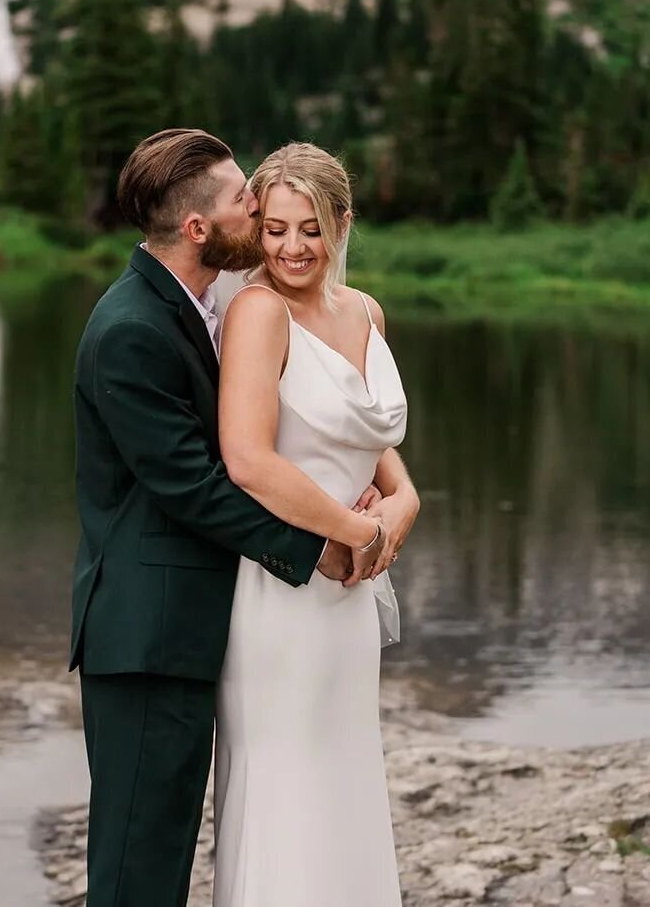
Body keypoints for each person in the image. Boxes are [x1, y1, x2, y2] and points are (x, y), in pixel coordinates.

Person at [69, 129, 382, 907]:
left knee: (167, 852)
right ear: (199, 228)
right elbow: (196, 485)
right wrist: (321, 547)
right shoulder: (130, 331)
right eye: (246, 199)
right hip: (147, 638)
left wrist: (386, 500)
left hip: (198, 625)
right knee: (138, 871)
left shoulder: (202, 307)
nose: (259, 205)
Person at [213, 141, 419, 907]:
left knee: (343, 775)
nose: (291, 248)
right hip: (284, 589)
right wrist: (354, 532)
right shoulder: (256, 312)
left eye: (310, 229)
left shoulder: (365, 310)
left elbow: (377, 452)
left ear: (342, 223)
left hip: (349, 601)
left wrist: (403, 505)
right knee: (285, 787)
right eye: (273, 229)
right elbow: (248, 460)